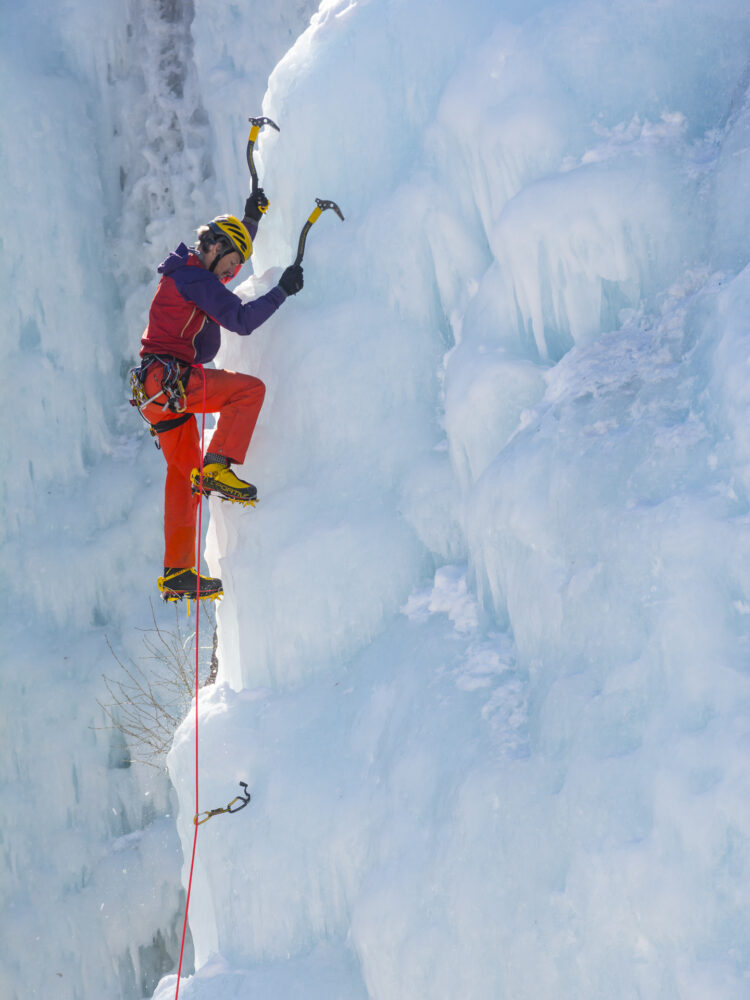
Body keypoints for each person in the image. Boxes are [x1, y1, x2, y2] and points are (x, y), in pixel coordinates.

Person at [133, 188, 303, 601]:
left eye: (233, 273)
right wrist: (281, 291)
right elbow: (241, 321)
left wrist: (252, 219)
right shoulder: (194, 277)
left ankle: (177, 572)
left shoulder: (192, 271)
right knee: (248, 391)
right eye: (227, 269)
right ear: (212, 250)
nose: (228, 278)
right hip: (172, 383)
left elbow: (227, 248)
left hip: (154, 394)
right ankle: (220, 463)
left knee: (182, 475)